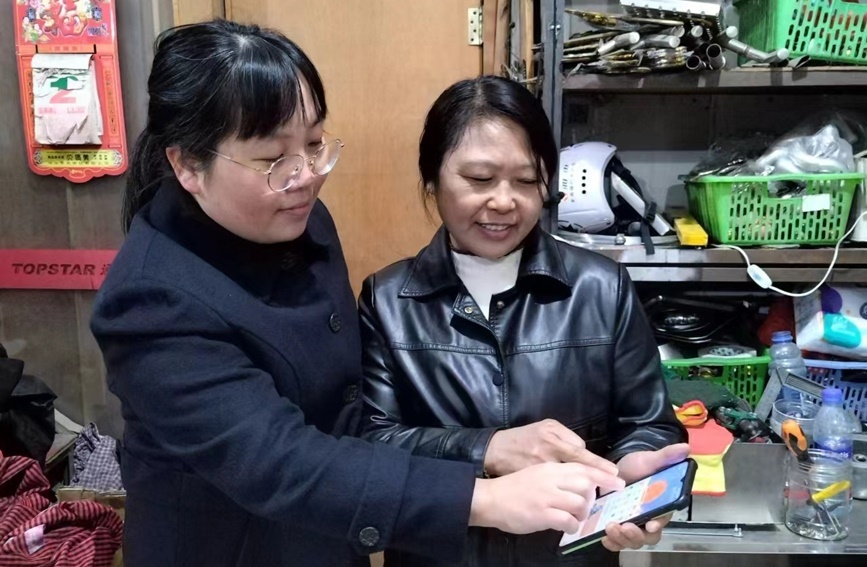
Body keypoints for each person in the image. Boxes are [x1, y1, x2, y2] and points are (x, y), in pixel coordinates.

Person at [89, 20, 626, 567]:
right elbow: (278, 461)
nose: (306, 176)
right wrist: (483, 498)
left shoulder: (299, 217)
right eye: (273, 159)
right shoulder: (150, 301)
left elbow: (350, 417)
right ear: (187, 165)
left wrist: (494, 447)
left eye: (315, 144)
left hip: (329, 539)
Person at [358, 75, 690, 567]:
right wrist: (488, 448)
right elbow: (371, 441)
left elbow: (648, 424)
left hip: (569, 553)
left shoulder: (602, 288)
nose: (504, 201)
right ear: (432, 179)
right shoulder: (387, 299)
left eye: (527, 180)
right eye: (479, 179)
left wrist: (639, 468)